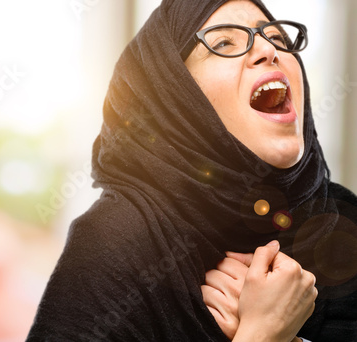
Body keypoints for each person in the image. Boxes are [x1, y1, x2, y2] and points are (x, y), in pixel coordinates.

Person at [27, 0, 357, 341]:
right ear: (175, 96)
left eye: (278, 38)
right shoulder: (114, 239)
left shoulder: (343, 224)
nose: (267, 50)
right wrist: (264, 334)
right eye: (224, 43)